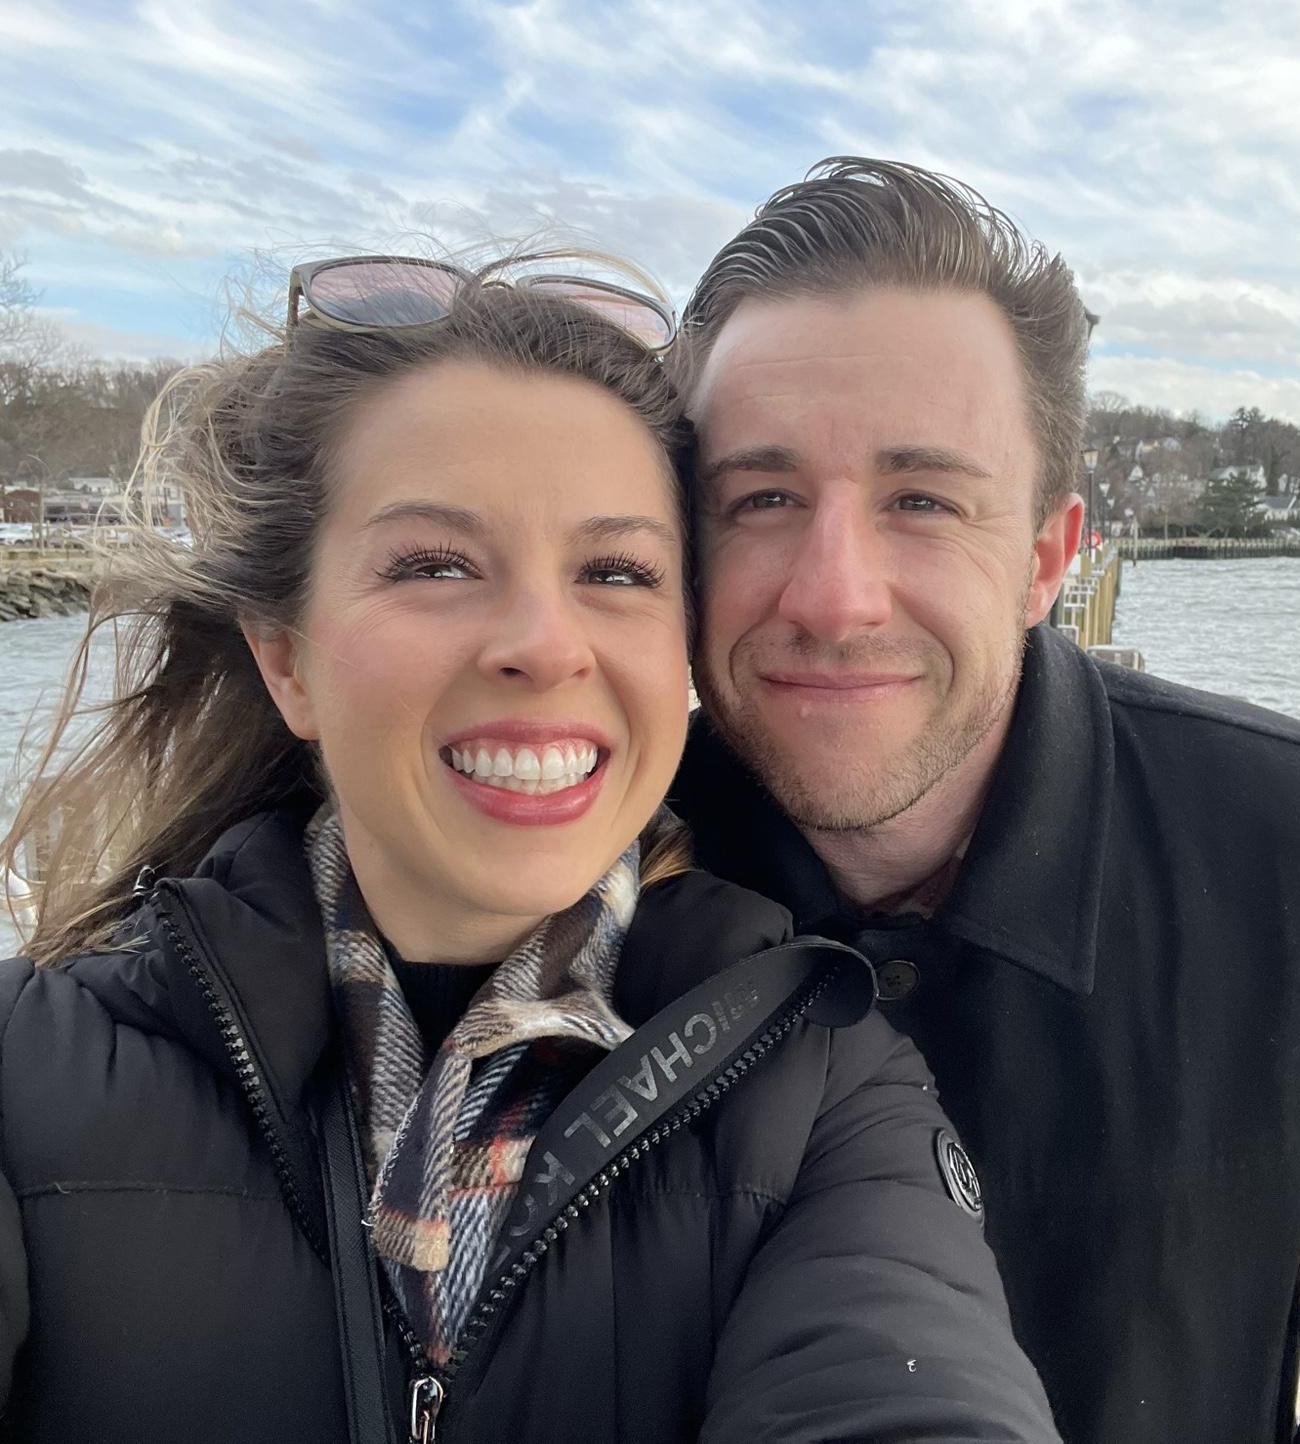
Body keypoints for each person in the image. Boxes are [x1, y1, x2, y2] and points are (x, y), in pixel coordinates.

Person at [0, 252, 1062, 1443]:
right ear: (286, 655)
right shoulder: (29, 1076)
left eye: (615, 571)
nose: (547, 644)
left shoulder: (816, 1083)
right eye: (436, 565)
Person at [668, 158, 1300, 1443]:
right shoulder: (582, 880)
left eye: (923, 501)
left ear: (1047, 558)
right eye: (763, 499)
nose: (834, 596)